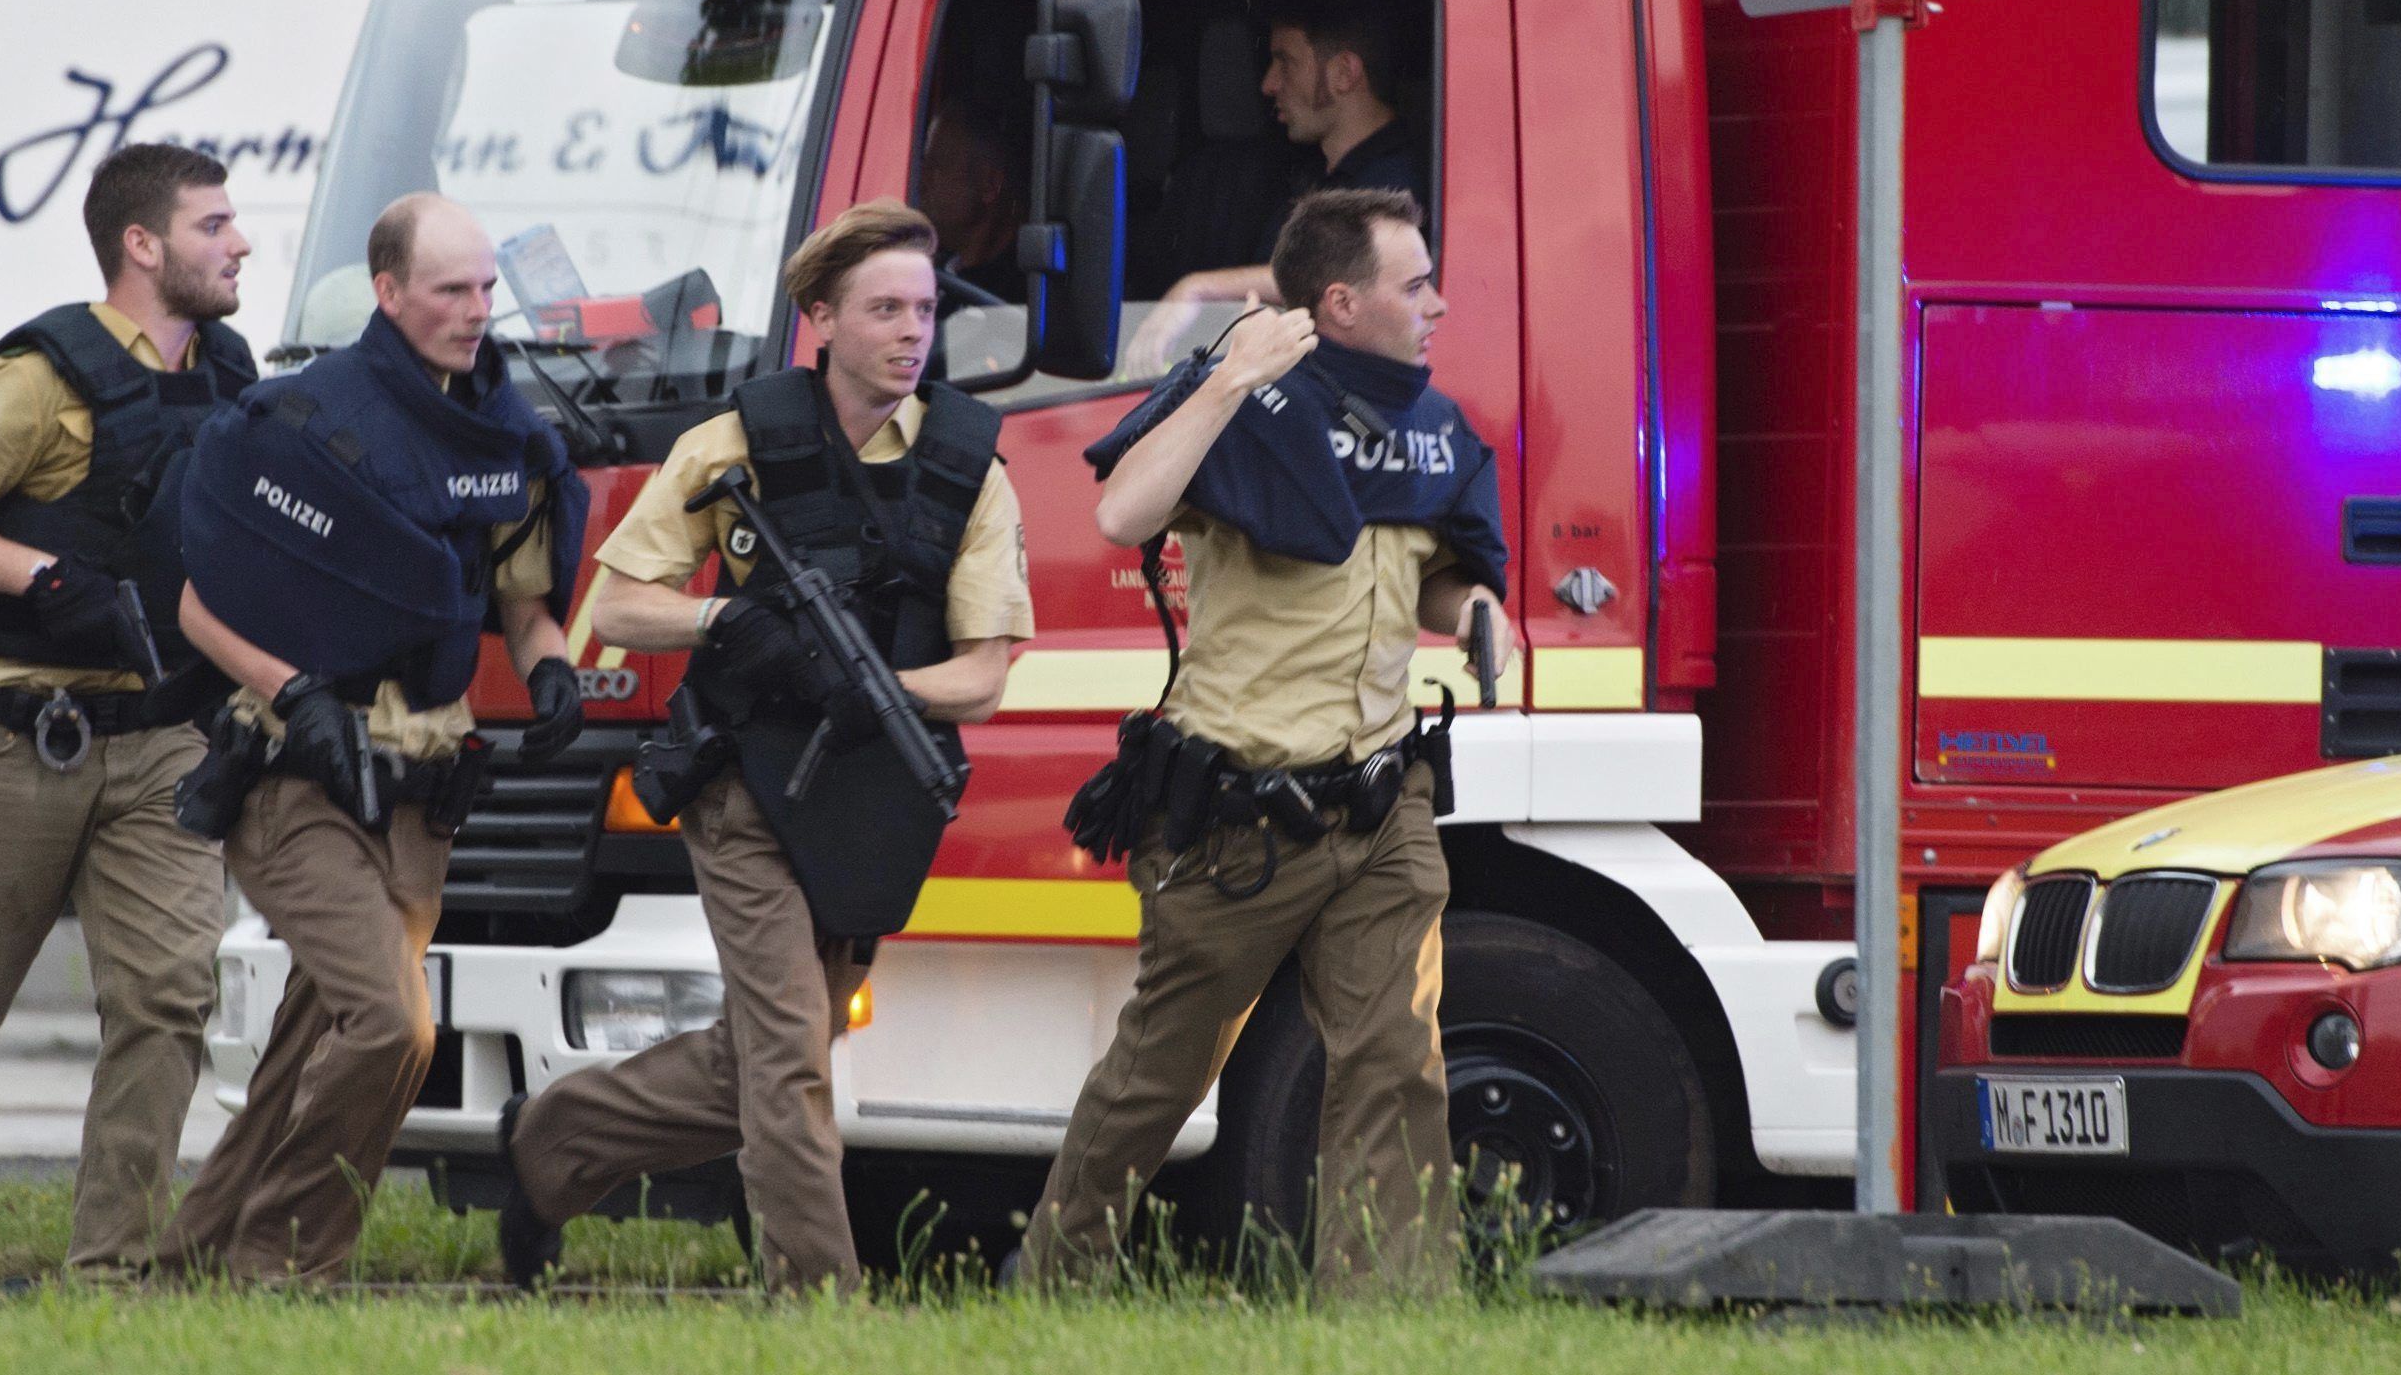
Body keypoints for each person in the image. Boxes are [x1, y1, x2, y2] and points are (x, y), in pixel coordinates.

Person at [497, 200, 1034, 1295]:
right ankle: (817, 1304)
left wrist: (869, 688)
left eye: (925, 310)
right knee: (789, 1055)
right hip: (744, 787)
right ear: (819, 320)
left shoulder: (970, 465)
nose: (910, 332)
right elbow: (616, 605)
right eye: (884, 308)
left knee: (764, 1057)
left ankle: (551, 1142)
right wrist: (725, 622)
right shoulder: (734, 442)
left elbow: (983, 674)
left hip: (871, 794)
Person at [1018, 186, 1513, 1301]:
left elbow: (1434, 573)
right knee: (1159, 1076)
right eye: (1414, 282)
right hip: (1238, 820)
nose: (1437, 302)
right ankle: (1054, 1280)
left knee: (1394, 1064)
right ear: (1340, 302)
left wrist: (1474, 609)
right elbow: (1121, 514)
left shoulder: (1427, 426)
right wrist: (1229, 372)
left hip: (1381, 805)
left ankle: (1386, 1318)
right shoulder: (1247, 412)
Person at [153, 194, 588, 1285]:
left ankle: (194, 1254)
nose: (476, 310)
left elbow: (522, 603)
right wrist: (288, 689)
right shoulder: (302, 419)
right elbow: (197, 603)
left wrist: (552, 676)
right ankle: (284, 1263)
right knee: (396, 1029)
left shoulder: (503, 436)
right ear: (387, 293)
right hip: (296, 772)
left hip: (421, 787)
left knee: (318, 1035)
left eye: (488, 288)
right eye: (449, 290)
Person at [0, 141, 255, 1280]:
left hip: (167, 739)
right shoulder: (40, 375)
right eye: (213, 225)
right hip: (24, 738)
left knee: (169, 1000)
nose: (239, 244)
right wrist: (39, 577)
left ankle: (106, 1281)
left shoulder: (229, 376)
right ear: (142, 244)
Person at [1127, 0, 1427, 366]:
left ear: (1344, 75)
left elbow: (1338, 276)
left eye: (1286, 62)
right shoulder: (1311, 173)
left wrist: (1198, 290)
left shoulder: (1395, 187)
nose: (1269, 84)